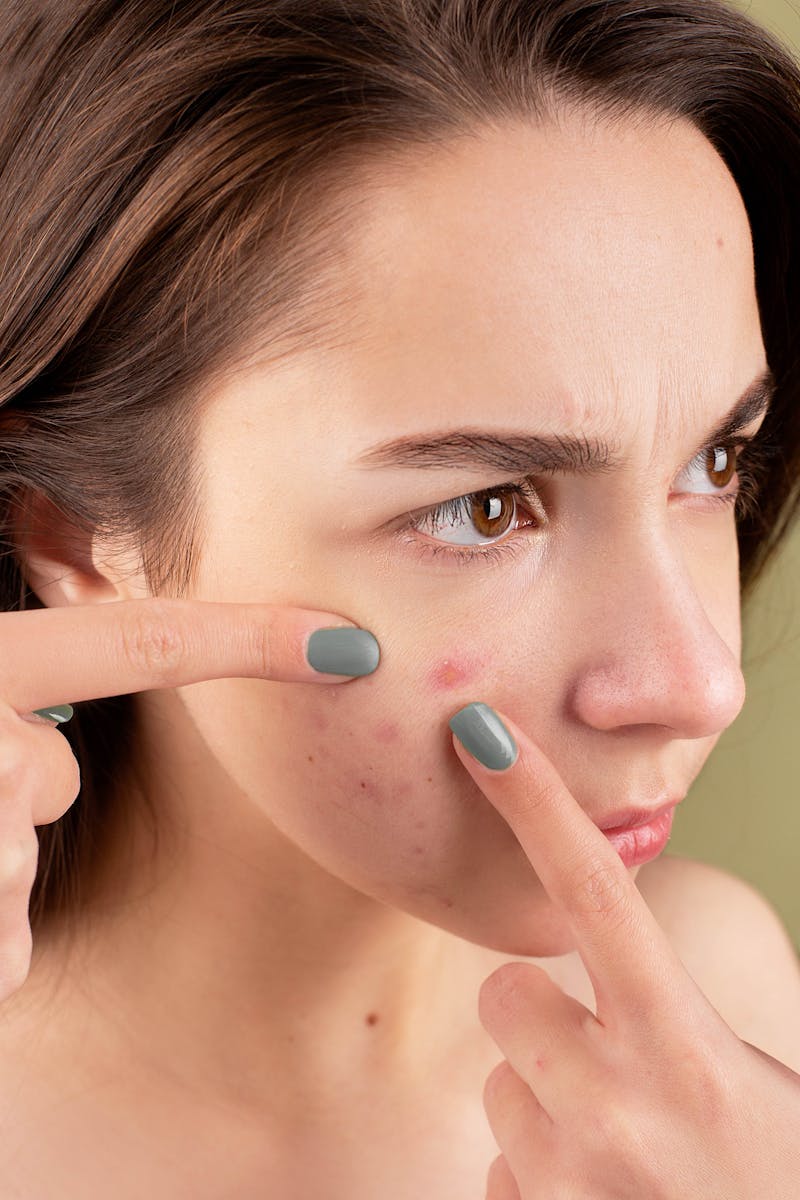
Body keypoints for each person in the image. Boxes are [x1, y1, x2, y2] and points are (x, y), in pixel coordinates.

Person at [1, 0, 800, 1195]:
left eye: (713, 462)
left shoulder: (720, 1028)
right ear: (67, 534)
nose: (700, 682)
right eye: (485, 507)